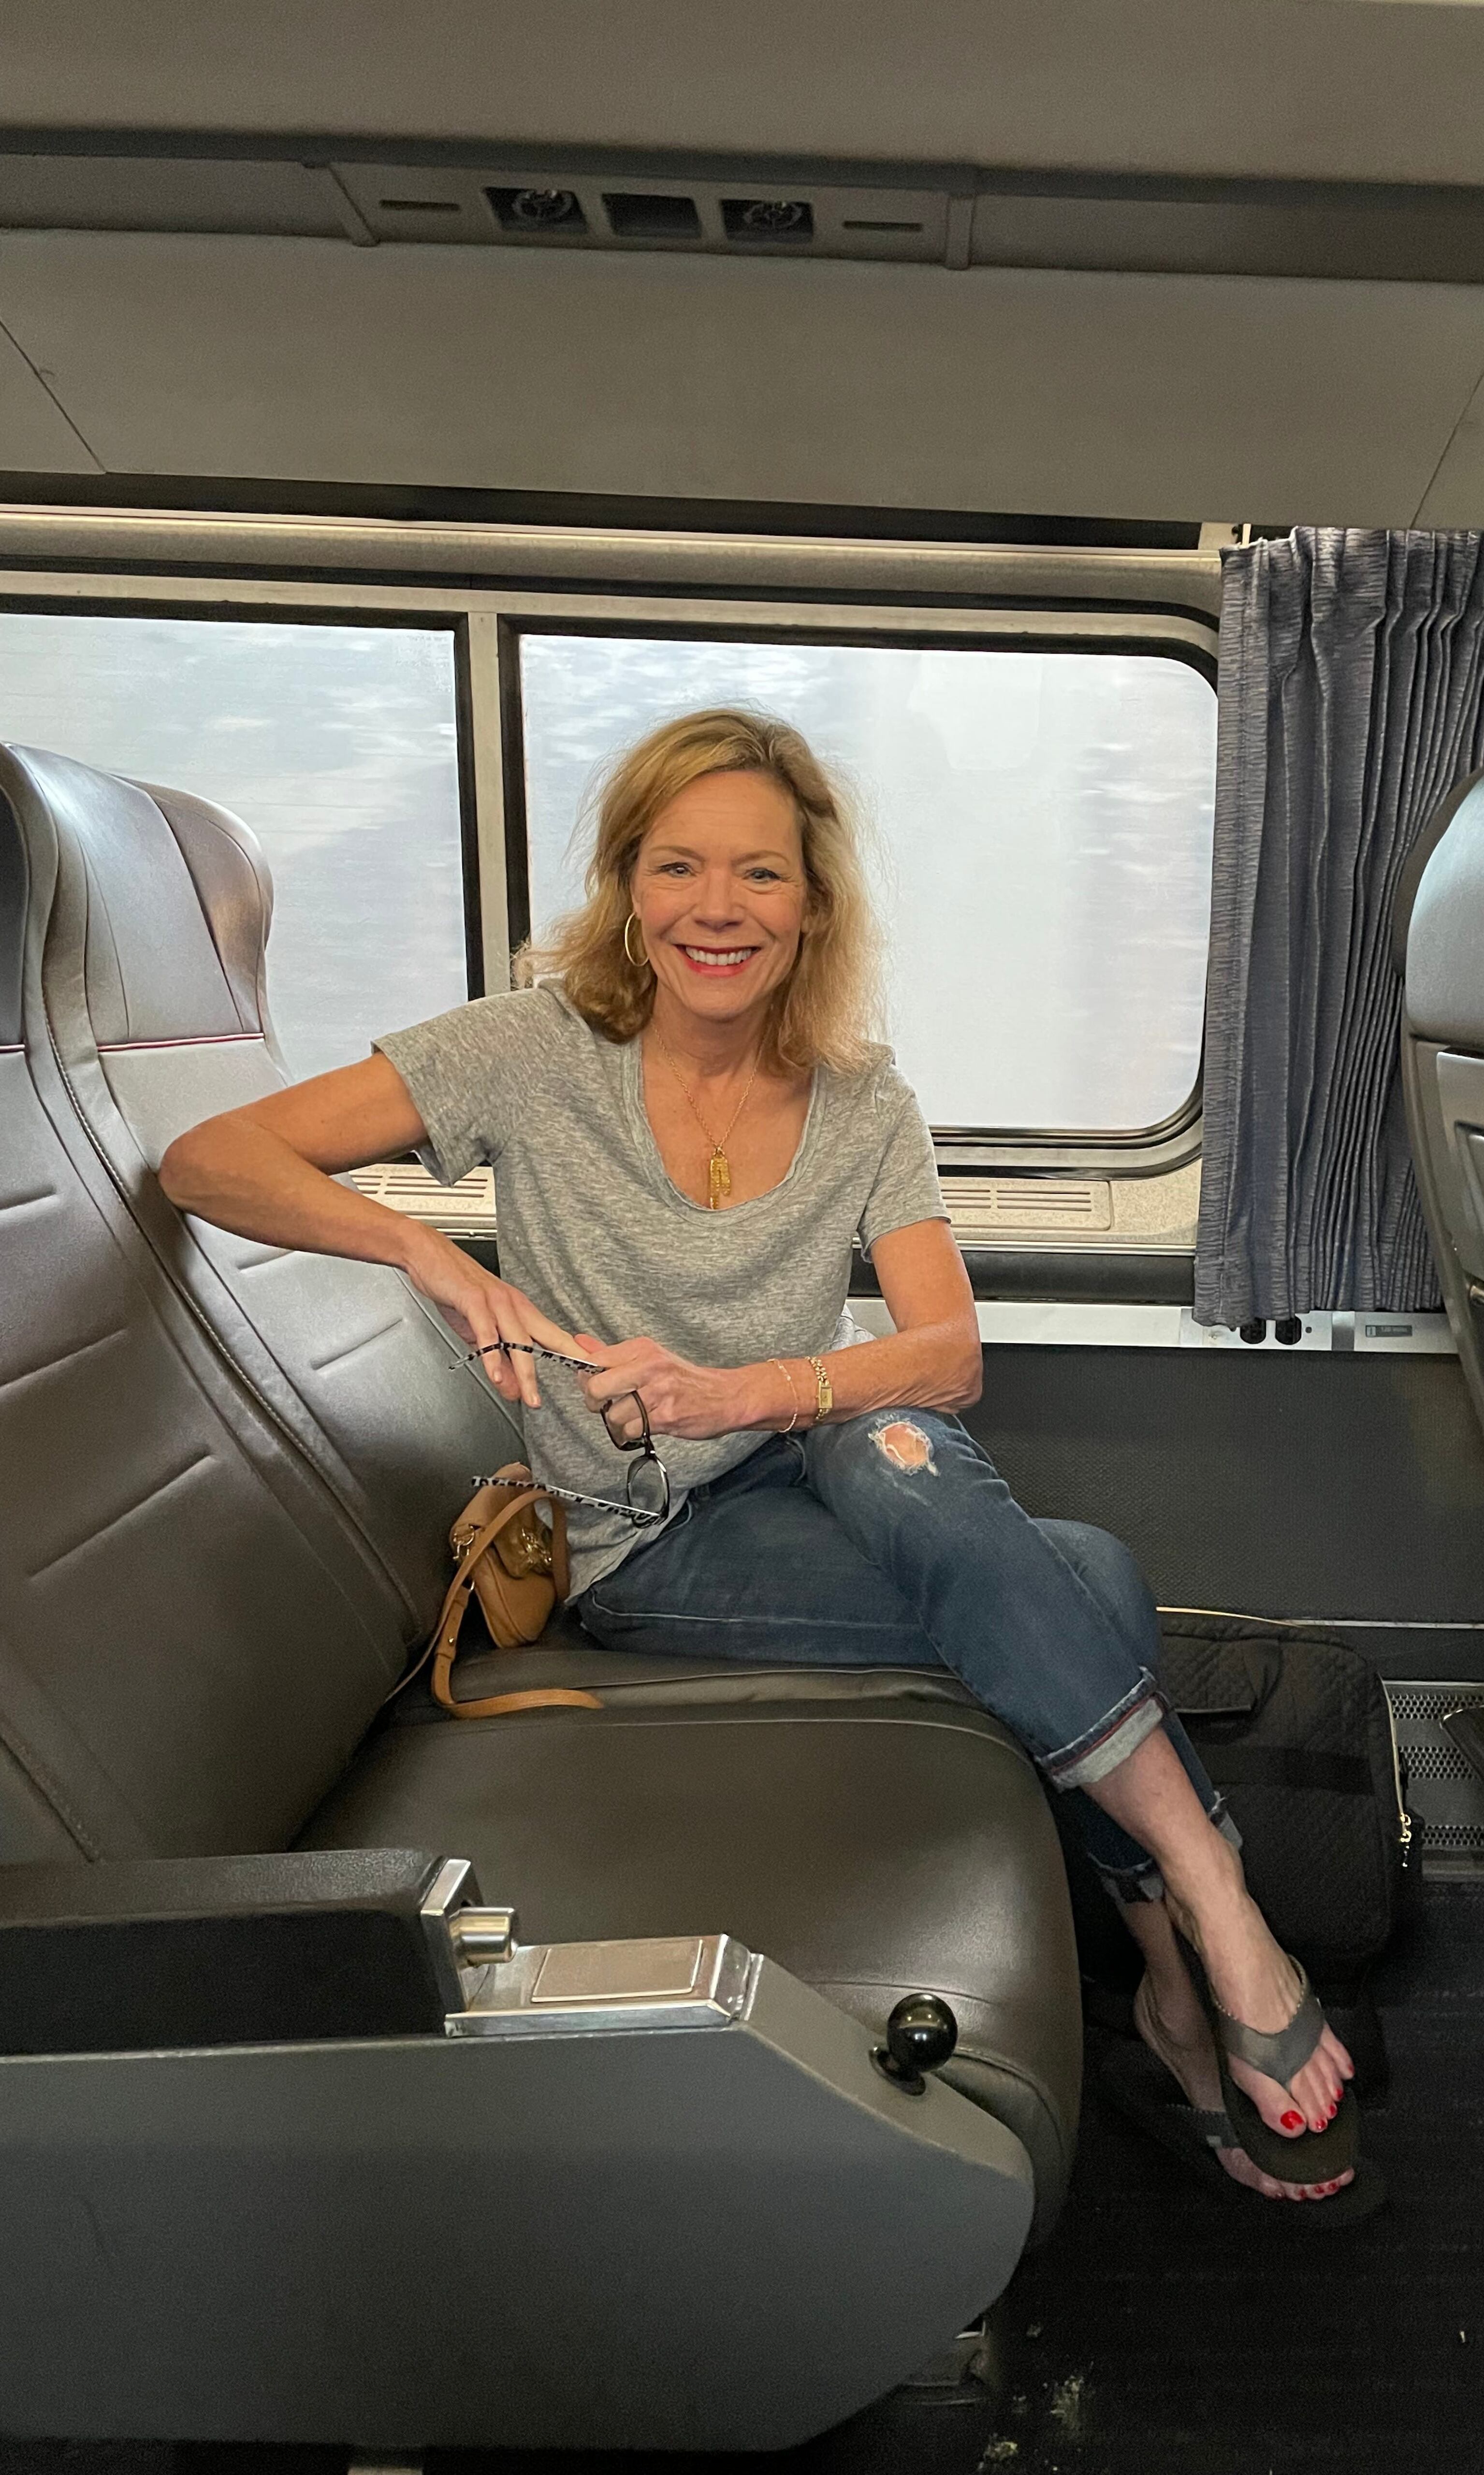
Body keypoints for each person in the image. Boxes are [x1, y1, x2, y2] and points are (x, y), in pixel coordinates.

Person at [159, 706, 1363, 2208]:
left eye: (760, 877)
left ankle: (1190, 1951)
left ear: (812, 907)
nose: (716, 911)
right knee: (1087, 1584)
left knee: (920, 1453)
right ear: (628, 889)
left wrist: (742, 1393)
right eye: (677, 869)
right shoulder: (528, 1053)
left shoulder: (863, 1102)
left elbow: (949, 1353)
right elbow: (210, 1159)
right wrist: (433, 1258)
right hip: (647, 1538)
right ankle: (1203, 1927)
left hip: (794, 1468)